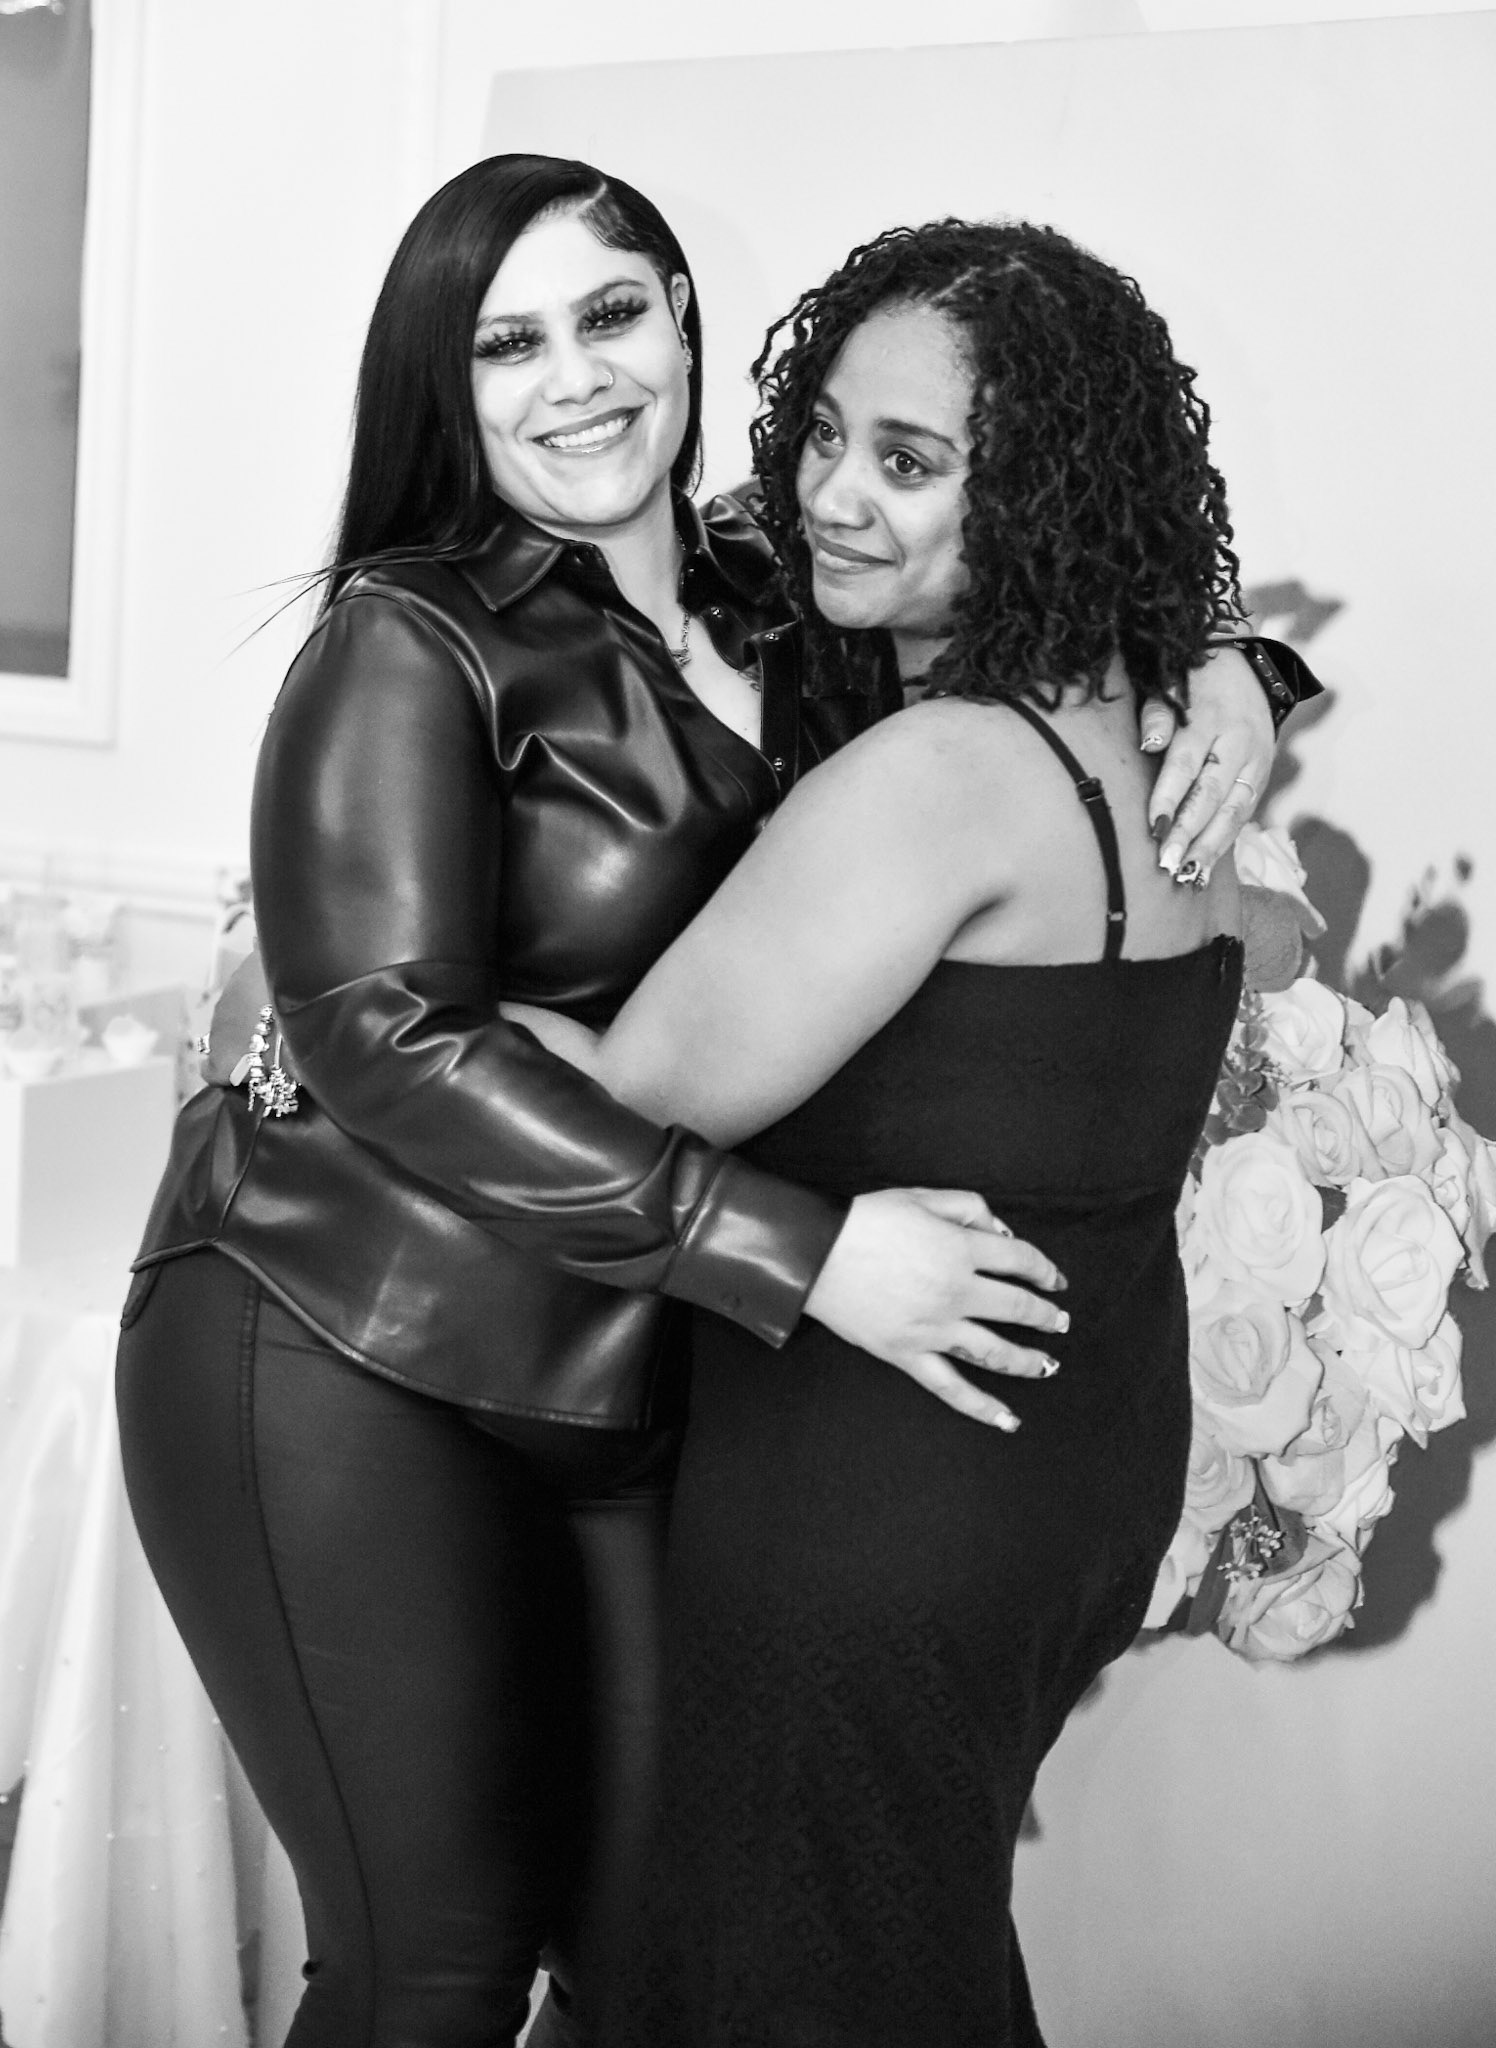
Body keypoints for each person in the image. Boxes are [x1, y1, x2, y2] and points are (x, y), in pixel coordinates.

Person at [114, 157, 1311, 2048]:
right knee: (436, 1968)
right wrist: (802, 1253)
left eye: (610, 313)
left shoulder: (789, 595)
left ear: (684, 322)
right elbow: (382, 1042)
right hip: (343, 1327)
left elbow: (1037, 559)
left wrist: (1229, 668)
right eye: (507, 344)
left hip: (627, 1354)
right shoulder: (406, 637)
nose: (575, 377)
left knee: (662, 1956)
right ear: (445, 387)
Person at [501, 216, 1264, 2046]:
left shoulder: (933, 778)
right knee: (896, 1944)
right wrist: (1244, 661)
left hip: (877, 1508)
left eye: (909, 463)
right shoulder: (1158, 747)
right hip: (1068, 1468)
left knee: (800, 1976)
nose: (835, 494)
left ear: (1042, 497)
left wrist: (396, 1004)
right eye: (826, 434)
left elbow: (616, 1107)